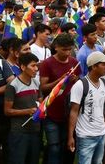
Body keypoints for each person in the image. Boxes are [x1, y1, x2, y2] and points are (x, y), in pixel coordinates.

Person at [68, 52, 105, 164]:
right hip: (85, 135)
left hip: (101, 133)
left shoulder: (103, 83)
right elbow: (74, 111)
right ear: (94, 66)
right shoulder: (80, 85)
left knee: (98, 161)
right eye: (103, 64)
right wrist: (71, 136)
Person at [39, 33, 80, 164]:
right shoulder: (47, 63)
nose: (68, 53)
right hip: (51, 113)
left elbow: (78, 83)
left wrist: (75, 79)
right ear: (56, 47)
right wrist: (60, 80)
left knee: (65, 146)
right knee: (54, 146)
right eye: (64, 49)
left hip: (69, 112)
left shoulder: (74, 62)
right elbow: (44, 87)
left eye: (70, 49)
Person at [4, 52, 42, 164]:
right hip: (19, 132)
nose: (36, 69)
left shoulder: (36, 82)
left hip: (35, 130)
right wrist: (28, 111)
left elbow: (40, 101)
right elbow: (7, 111)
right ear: (23, 67)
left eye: (37, 66)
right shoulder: (12, 85)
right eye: (33, 66)